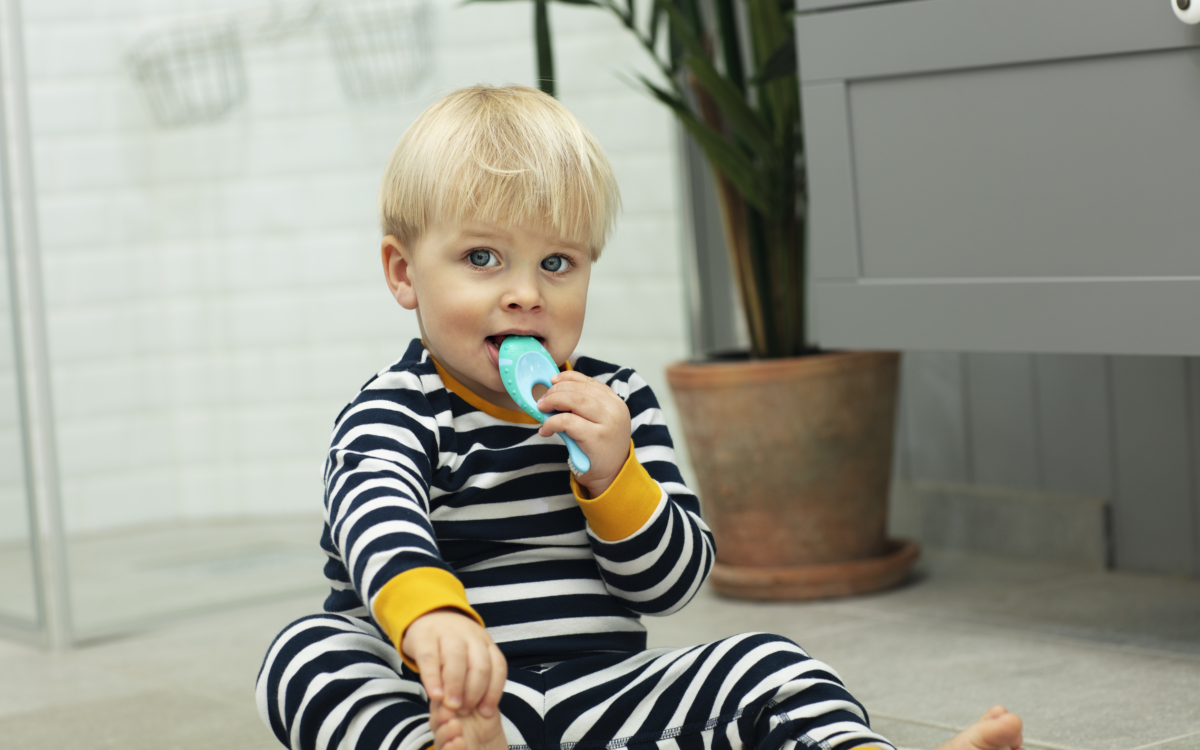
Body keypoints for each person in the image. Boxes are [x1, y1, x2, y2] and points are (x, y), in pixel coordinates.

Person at [255, 84, 1025, 750]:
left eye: (556, 264)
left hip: (607, 701)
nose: (526, 293)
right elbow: (374, 515)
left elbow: (672, 583)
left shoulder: (615, 405)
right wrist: (432, 621)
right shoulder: (397, 408)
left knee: (769, 665)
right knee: (305, 656)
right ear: (404, 274)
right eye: (483, 258)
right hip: (448, 702)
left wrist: (615, 473)